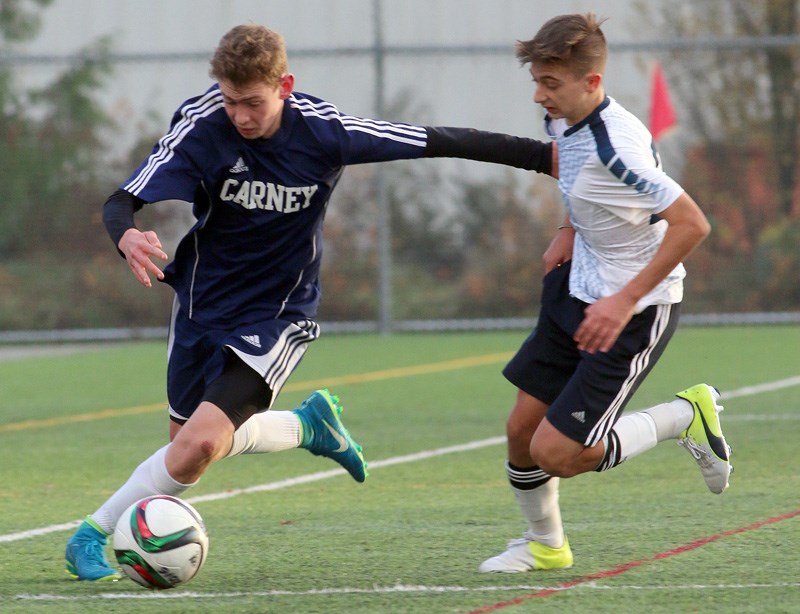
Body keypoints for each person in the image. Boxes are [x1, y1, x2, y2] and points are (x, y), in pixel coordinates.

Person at [65, 24, 558, 581]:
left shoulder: (326, 133)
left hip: (278, 313)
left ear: (286, 86)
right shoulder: (203, 126)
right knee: (188, 447)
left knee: (194, 448)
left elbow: (438, 138)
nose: (241, 117)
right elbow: (122, 199)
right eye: (231, 102)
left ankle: (91, 533)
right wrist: (125, 234)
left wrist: (546, 158)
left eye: (253, 103)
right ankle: (308, 427)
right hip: (202, 303)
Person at [478, 13, 732, 574]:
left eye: (552, 84)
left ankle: (682, 415)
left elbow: (692, 223)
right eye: (537, 82)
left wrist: (623, 301)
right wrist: (567, 230)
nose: (541, 95)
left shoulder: (618, 148)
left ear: (591, 82)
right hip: (577, 288)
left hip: (634, 309)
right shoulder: (566, 120)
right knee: (521, 428)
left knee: (558, 453)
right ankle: (545, 544)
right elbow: (576, 176)